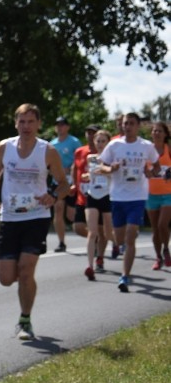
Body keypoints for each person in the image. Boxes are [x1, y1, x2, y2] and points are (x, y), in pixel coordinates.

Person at [0, 103, 69, 340]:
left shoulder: (47, 151)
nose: (26, 126)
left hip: (36, 217)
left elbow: (64, 184)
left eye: (31, 121)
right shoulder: (5, 147)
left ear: (39, 124)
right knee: (5, 278)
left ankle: (25, 319)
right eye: (22, 122)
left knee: (26, 270)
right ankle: (23, 284)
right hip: (10, 217)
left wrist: (52, 196)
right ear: (15, 124)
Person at [97, 112, 160, 292]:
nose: (128, 126)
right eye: (125, 123)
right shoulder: (115, 144)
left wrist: (151, 173)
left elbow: (155, 165)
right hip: (118, 196)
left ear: (137, 126)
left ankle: (124, 276)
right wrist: (111, 168)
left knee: (131, 235)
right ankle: (121, 244)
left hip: (137, 196)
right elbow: (101, 166)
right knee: (119, 237)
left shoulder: (146, 146)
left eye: (131, 123)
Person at [81, 129, 115, 280]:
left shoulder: (112, 159)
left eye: (103, 141)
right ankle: (90, 266)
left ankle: (105, 252)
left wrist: (106, 170)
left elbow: (113, 174)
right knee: (92, 232)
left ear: (108, 143)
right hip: (93, 195)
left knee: (107, 233)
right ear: (94, 142)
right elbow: (91, 174)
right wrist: (87, 176)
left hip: (108, 196)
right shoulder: (91, 158)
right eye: (98, 141)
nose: (100, 144)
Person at [49, 116, 82, 252]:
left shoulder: (74, 142)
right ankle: (61, 242)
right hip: (57, 181)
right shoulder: (52, 144)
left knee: (70, 215)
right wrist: (53, 170)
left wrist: (71, 167)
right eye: (57, 125)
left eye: (63, 125)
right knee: (58, 208)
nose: (60, 127)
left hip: (71, 181)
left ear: (67, 127)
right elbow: (47, 163)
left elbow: (81, 159)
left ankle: (94, 234)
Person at [146, 121, 171, 269]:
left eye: (160, 131)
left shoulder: (169, 149)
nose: (157, 133)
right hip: (151, 193)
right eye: (154, 131)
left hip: (168, 193)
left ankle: (166, 250)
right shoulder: (147, 151)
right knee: (155, 228)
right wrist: (146, 173)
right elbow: (141, 168)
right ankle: (158, 257)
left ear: (165, 134)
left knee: (162, 224)